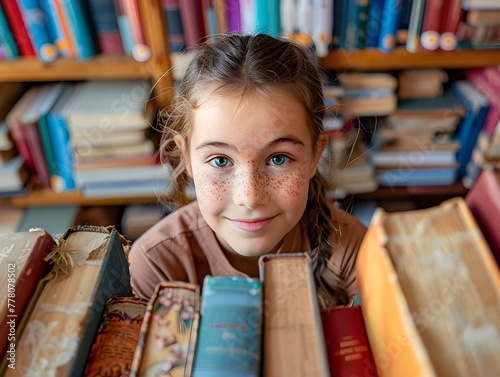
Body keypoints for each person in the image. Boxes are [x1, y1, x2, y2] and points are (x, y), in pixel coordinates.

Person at [129, 33, 366, 308]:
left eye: (278, 159)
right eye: (220, 161)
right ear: (187, 159)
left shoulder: (353, 251)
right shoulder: (154, 265)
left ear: (315, 155)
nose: (250, 197)